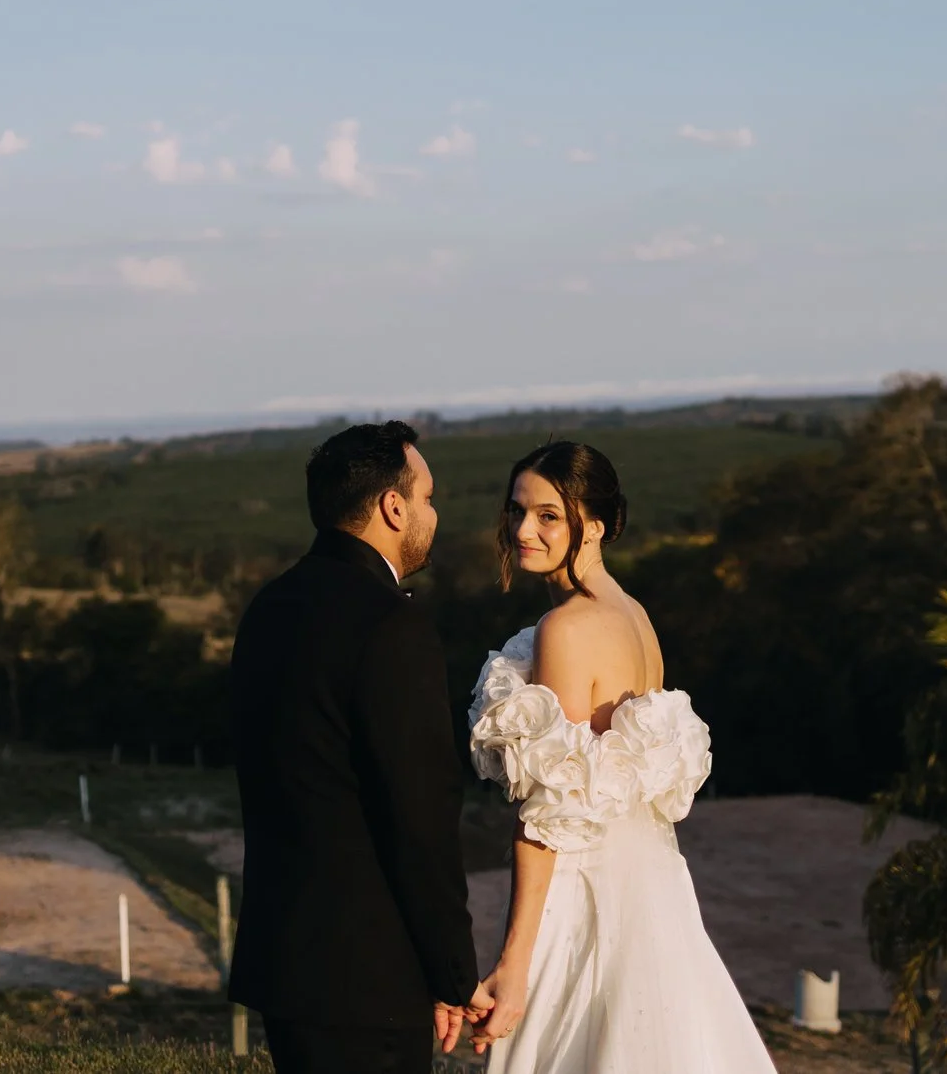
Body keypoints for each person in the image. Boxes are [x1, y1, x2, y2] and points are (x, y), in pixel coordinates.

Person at [465, 440, 775, 1072]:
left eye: (549, 515)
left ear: (597, 524)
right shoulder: (634, 615)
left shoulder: (569, 629)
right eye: (518, 511)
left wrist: (516, 961)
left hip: (588, 892)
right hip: (653, 886)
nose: (524, 529)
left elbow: (552, 811)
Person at [228, 420, 483, 1074]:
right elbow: (419, 813)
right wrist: (453, 972)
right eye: (426, 496)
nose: (431, 512)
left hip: (286, 958)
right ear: (392, 507)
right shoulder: (391, 626)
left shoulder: (269, 607)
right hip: (368, 973)